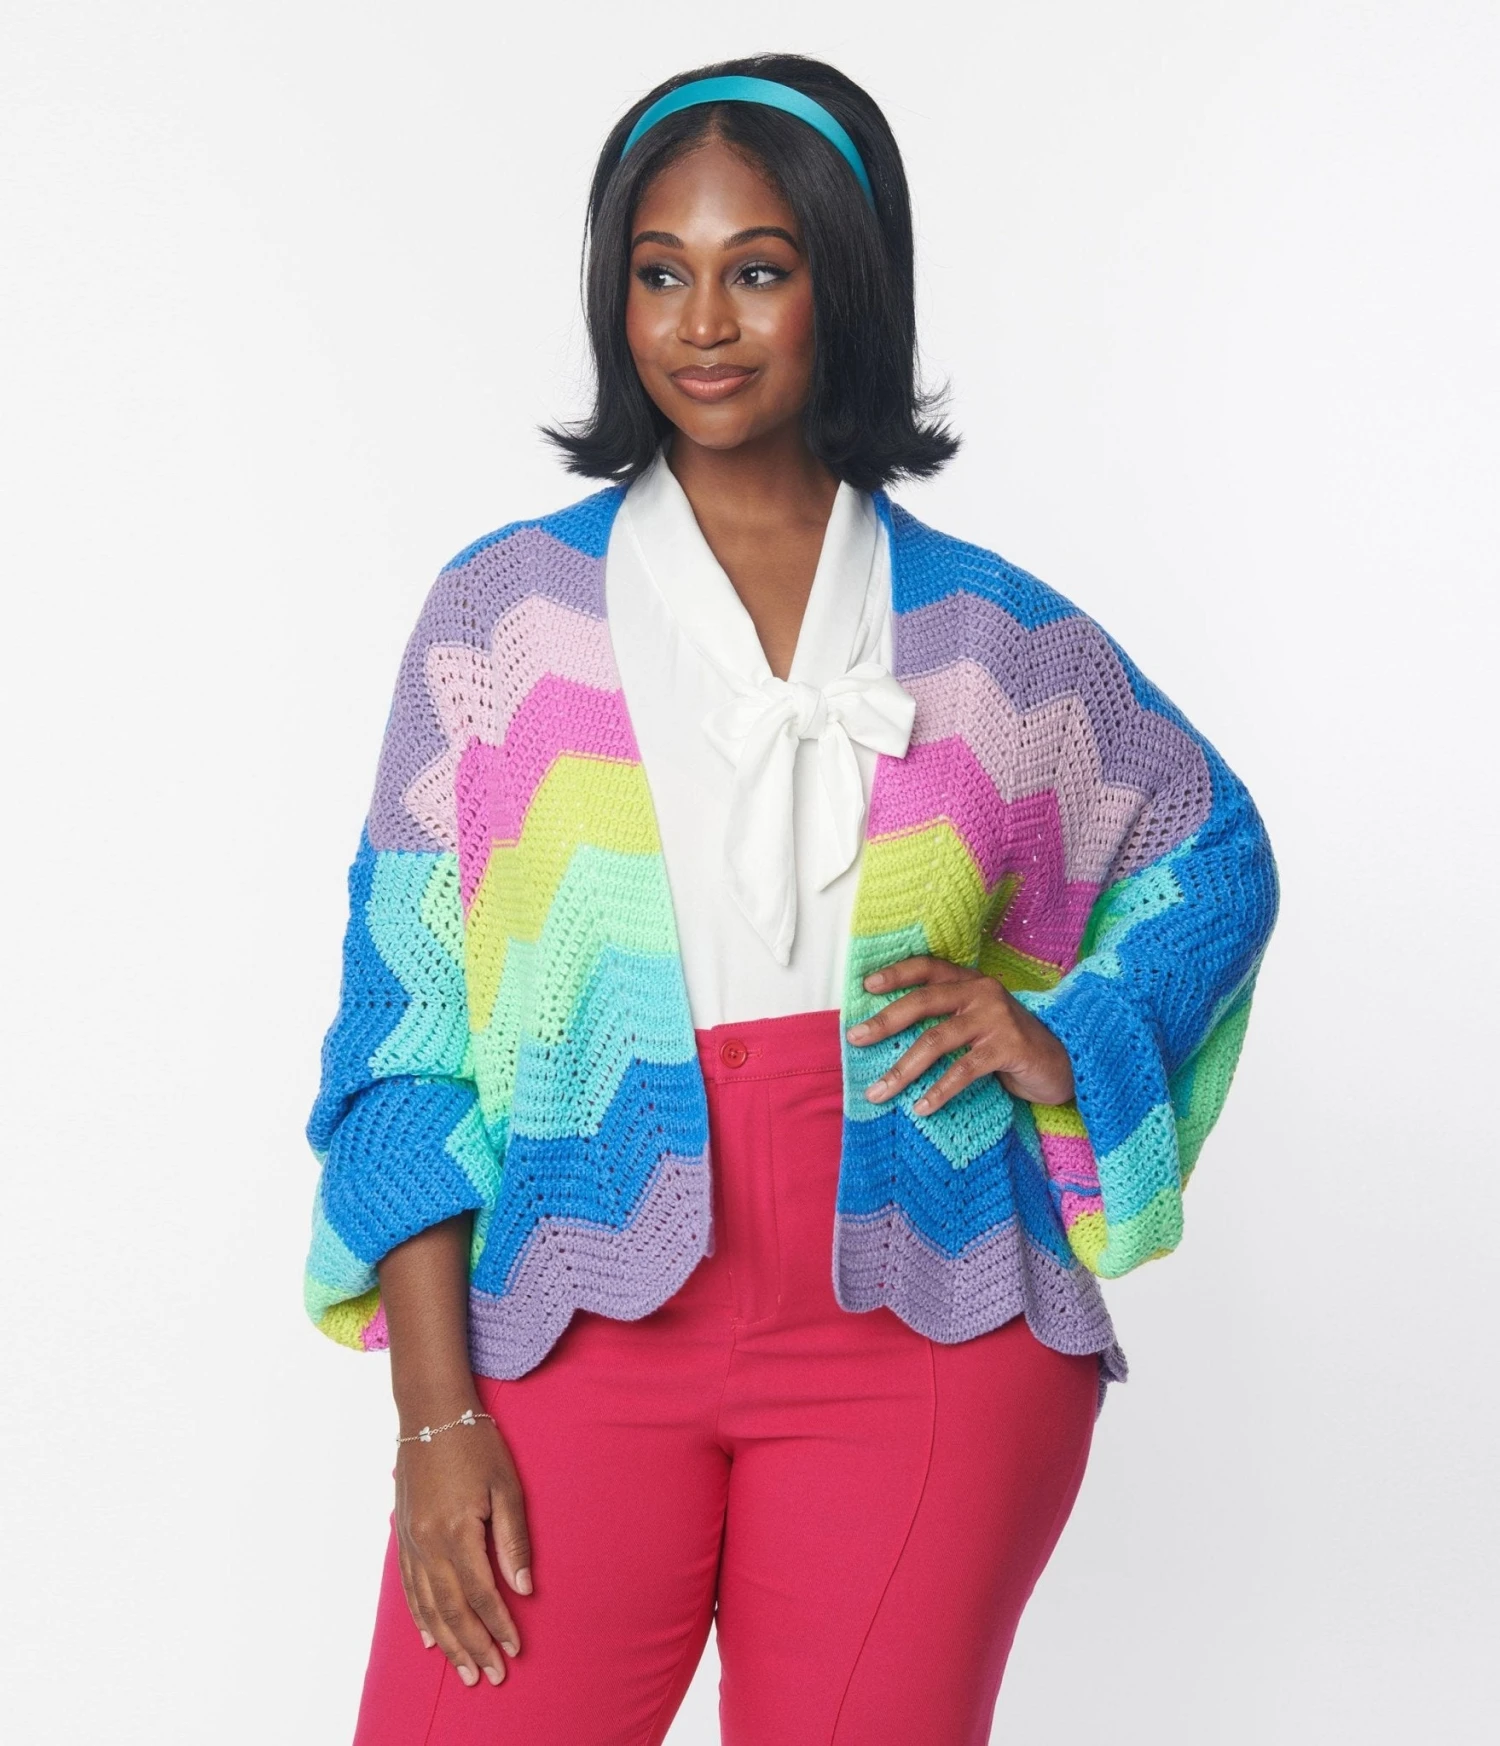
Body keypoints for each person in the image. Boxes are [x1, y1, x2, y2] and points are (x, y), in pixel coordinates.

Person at [303, 53, 1279, 1746]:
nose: (702, 322)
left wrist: (1066, 1035)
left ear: (848, 282)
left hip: (933, 1312)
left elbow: (1214, 853)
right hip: (576, 1303)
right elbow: (402, 1051)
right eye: (659, 272)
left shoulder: (992, 637)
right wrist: (437, 1420)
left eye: (757, 269)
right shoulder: (502, 624)